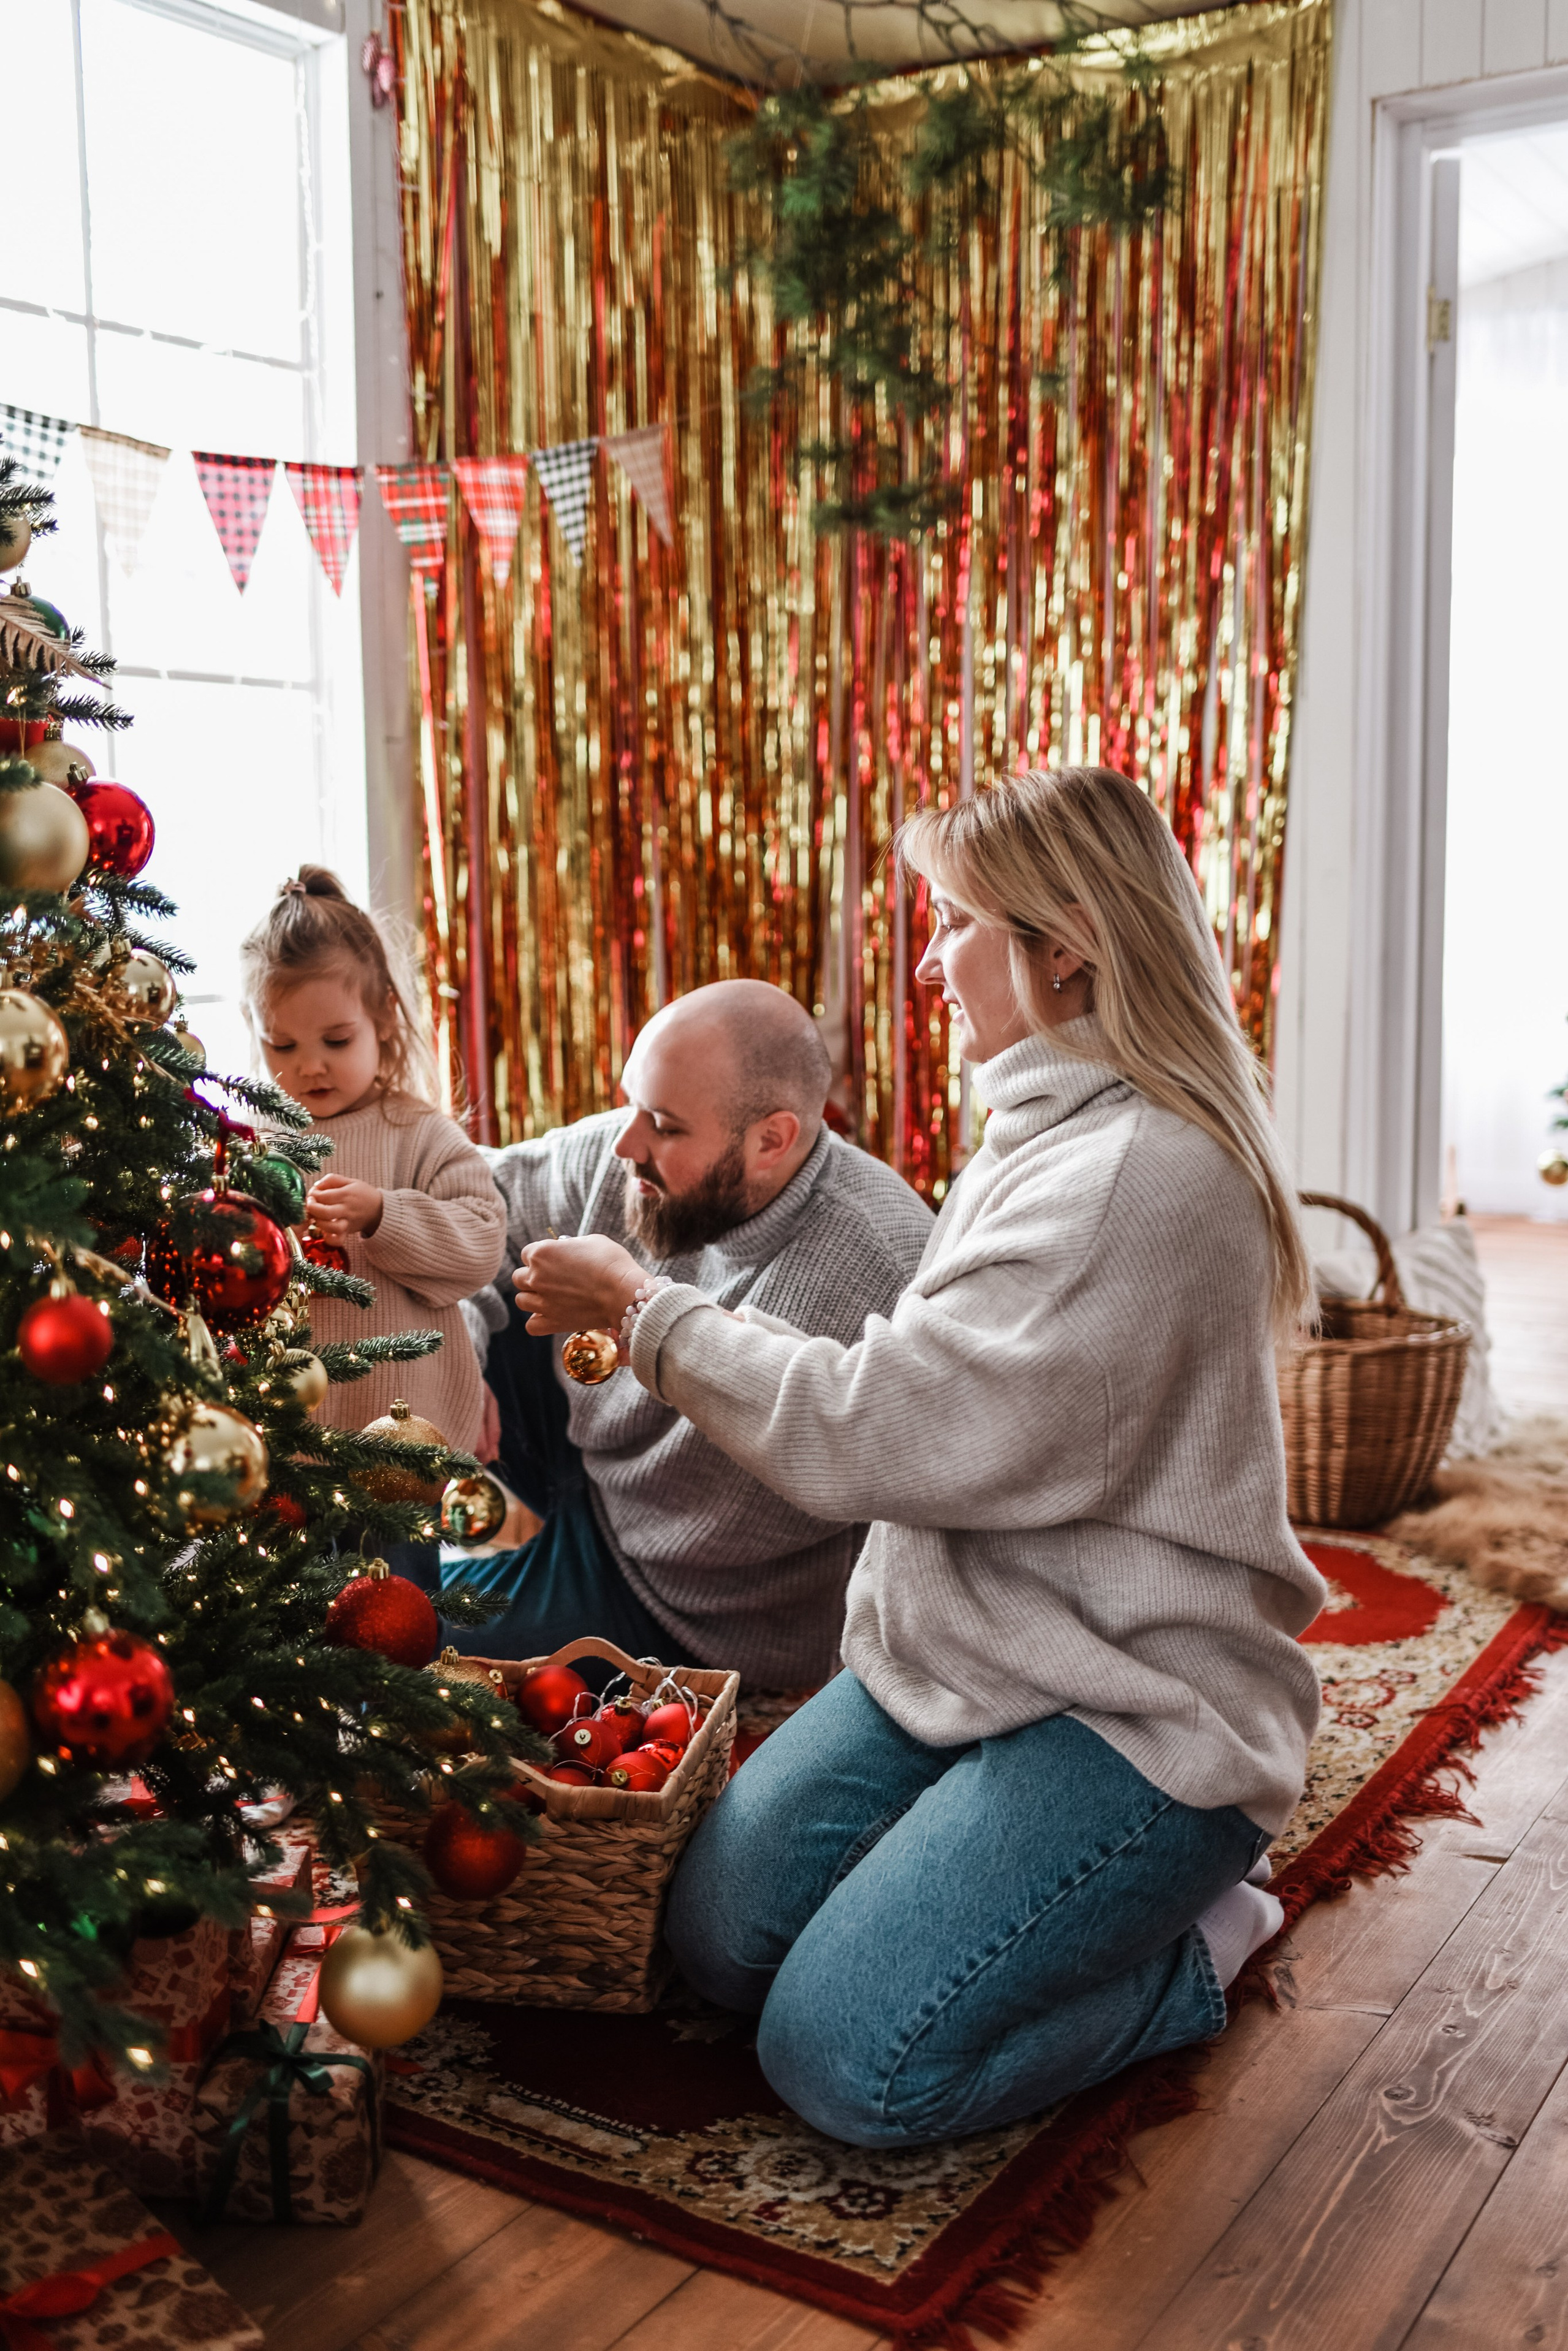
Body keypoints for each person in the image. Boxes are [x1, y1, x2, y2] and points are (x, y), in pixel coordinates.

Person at [511, 767, 1326, 2149]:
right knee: (714, 1943)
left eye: (953, 922)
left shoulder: (1137, 1176)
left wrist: (643, 1317)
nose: (927, 956)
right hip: (965, 1653)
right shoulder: (1048, 1121)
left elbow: (864, 1432)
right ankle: (990, 1863)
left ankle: (1199, 1940)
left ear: (1059, 945)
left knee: (846, 2062)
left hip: (1126, 1703)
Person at [449, 979, 934, 1685]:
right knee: (420, 1313)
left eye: (667, 1126)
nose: (626, 1143)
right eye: (632, 1103)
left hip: (685, 1600)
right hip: (589, 1462)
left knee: (423, 1654)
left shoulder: (884, 1267)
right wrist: (455, 1345)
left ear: (772, 1140)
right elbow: (465, 1200)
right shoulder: (630, 1154)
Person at [239, 869, 507, 1457]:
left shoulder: (417, 1132)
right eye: (282, 1046)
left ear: (384, 1016)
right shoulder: (252, 1142)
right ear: (251, 1026)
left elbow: (484, 1242)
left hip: (402, 1436)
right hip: (284, 1439)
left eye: (337, 1041)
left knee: (396, 1552)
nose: (310, 1067)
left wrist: (386, 1215)